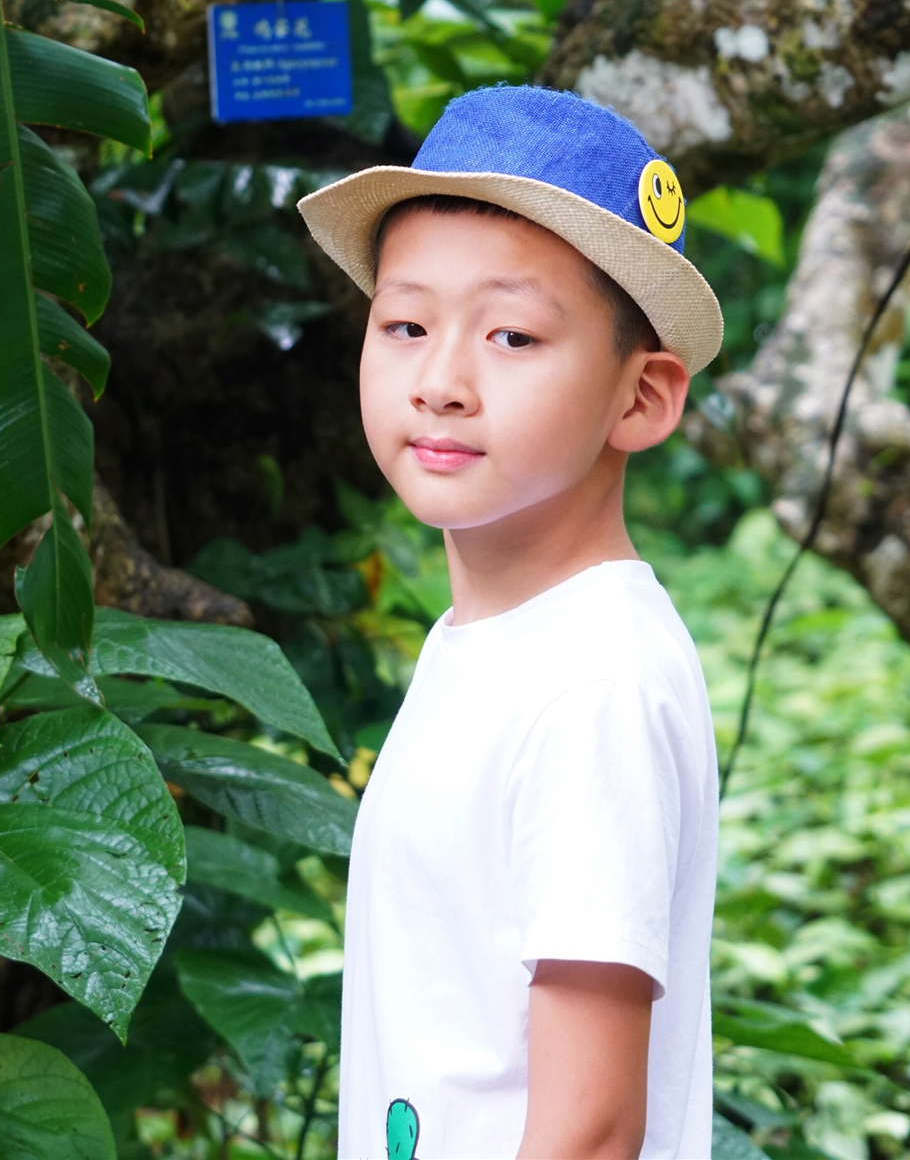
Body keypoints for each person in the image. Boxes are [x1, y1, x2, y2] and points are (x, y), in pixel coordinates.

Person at [298, 85, 724, 1159]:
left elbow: (589, 1127)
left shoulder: (593, 684)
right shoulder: (491, 642)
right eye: (404, 324)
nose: (440, 381)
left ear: (640, 399)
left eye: (513, 336)